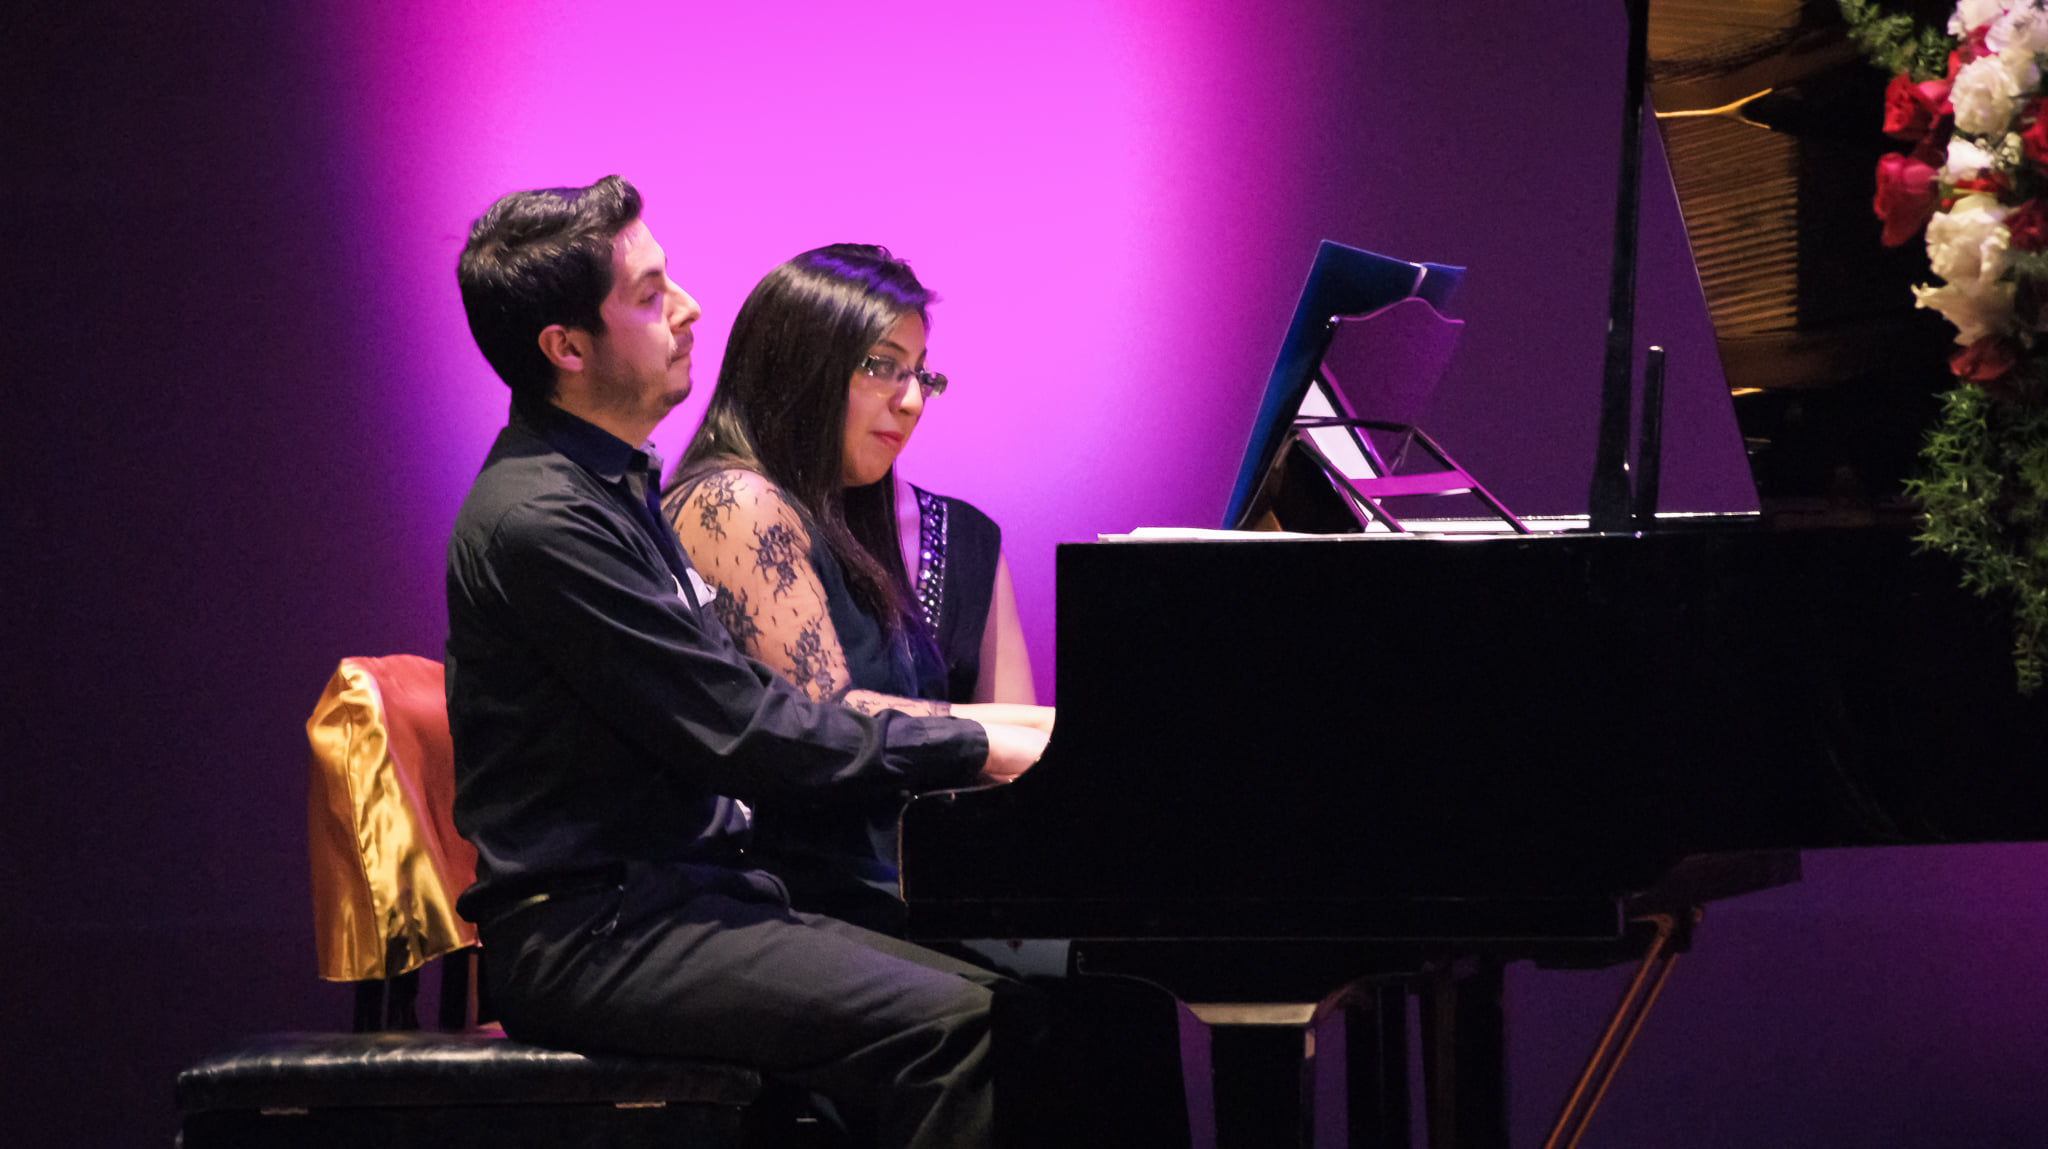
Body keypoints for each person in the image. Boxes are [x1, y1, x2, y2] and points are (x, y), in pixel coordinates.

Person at [444, 175, 1051, 1149]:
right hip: (596, 935)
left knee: (1028, 1012)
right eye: (647, 294)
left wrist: (994, 735)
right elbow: (748, 729)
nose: (687, 308)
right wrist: (977, 744)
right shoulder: (541, 518)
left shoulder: (610, 487)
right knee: (964, 1033)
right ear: (565, 348)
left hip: (674, 906)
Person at [661, 245, 1052, 935]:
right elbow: (823, 715)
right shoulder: (732, 499)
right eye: (880, 366)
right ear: (801, 368)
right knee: (1056, 1011)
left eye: (919, 373)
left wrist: (1051, 732)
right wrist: (1018, 733)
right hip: (767, 906)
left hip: (872, 893)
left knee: (1112, 989)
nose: (909, 401)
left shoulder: (854, 517)